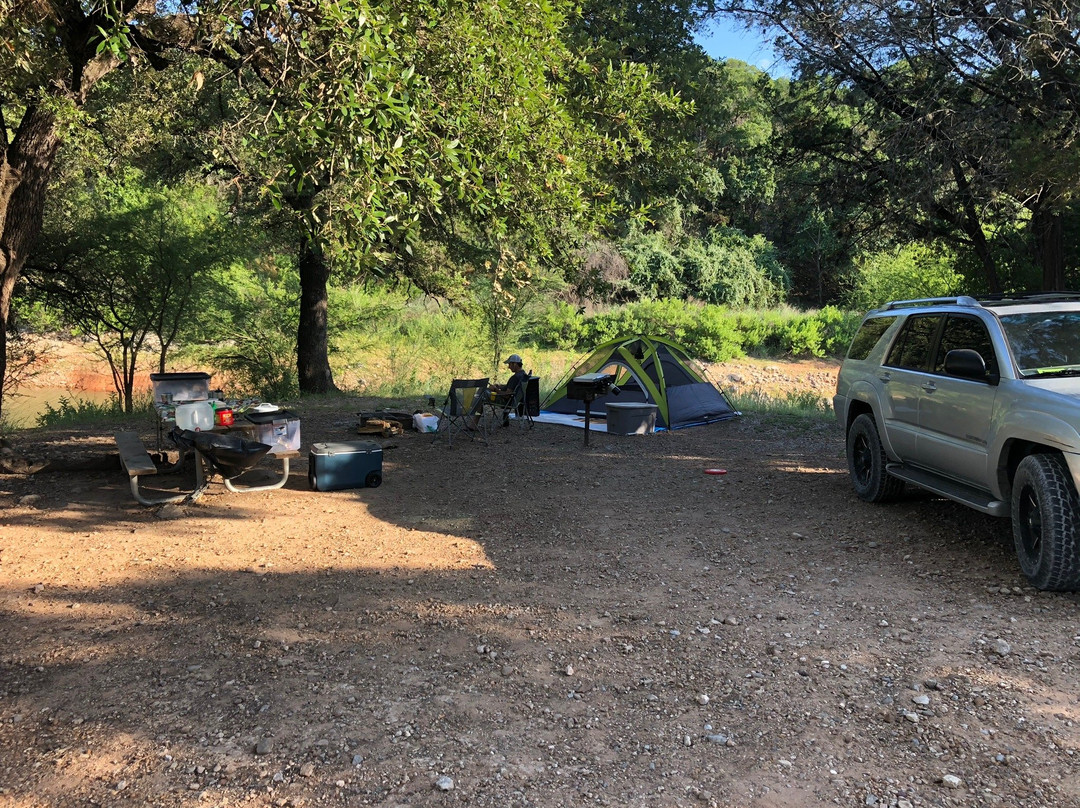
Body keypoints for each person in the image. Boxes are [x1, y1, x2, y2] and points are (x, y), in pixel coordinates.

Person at [490, 354, 528, 425]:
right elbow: (511, 388)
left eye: (510, 364)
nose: (508, 367)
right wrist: (500, 386)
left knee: (482, 396)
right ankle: (505, 418)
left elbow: (507, 395)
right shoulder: (523, 375)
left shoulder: (514, 378)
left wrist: (495, 389)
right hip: (517, 400)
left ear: (515, 364)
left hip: (507, 402)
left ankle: (474, 423)